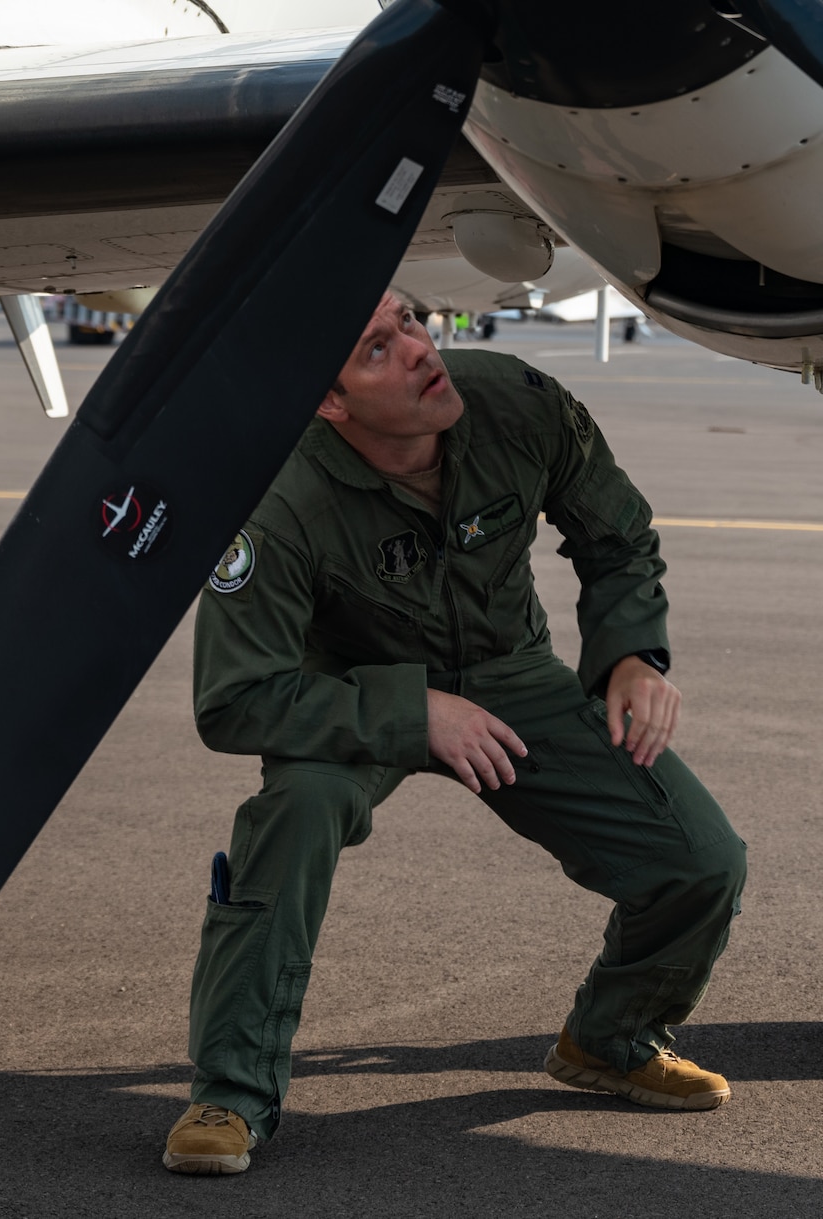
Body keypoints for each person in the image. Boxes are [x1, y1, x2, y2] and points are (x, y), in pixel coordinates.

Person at [160, 291, 747, 1176]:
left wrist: (632, 656)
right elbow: (235, 698)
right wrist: (413, 711)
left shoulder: (512, 401)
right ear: (329, 401)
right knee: (300, 807)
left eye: (411, 322)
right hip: (348, 690)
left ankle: (612, 1036)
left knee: (703, 859)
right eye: (374, 349)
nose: (418, 350)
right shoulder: (277, 498)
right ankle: (231, 1091)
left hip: (512, 673)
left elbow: (618, 536)